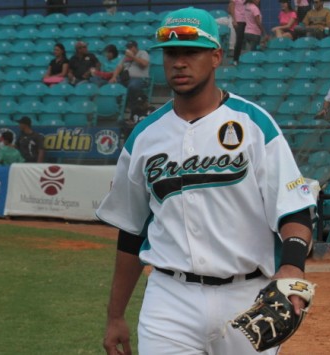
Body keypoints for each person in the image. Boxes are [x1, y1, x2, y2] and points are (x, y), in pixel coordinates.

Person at [98, 7, 316, 355]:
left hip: (246, 294)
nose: (179, 62)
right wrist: (115, 315)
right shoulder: (145, 136)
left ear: (216, 57)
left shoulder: (254, 125)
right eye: (171, 53)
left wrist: (291, 266)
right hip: (170, 297)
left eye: (191, 51)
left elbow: (296, 210)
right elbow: (131, 232)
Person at [229, 0, 247, 65]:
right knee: (239, 40)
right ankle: (235, 59)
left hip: (247, 20)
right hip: (239, 20)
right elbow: (231, 6)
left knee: (245, 40)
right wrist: (234, 20)